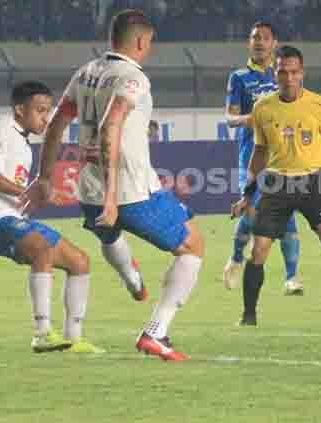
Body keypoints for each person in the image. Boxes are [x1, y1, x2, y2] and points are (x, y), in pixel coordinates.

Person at [29, 9, 204, 361]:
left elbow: (56, 125)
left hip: (90, 190)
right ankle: (157, 333)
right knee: (192, 246)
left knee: (110, 234)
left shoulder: (88, 72)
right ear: (140, 40)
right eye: (150, 43)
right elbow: (112, 126)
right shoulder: (132, 77)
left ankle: (131, 278)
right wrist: (113, 196)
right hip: (129, 192)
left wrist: (44, 177)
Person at [231, 45, 321, 327]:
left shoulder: (320, 105)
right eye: (283, 71)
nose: (289, 77)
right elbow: (259, 152)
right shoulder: (263, 108)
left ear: (302, 73)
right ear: (276, 72)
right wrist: (247, 193)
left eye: (294, 72)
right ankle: (248, 316)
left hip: (313, 181)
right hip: (277, 183)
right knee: (259, 250)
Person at [0, 81, 103, 354]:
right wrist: (30, 190)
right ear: (19, 109)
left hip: (9, 216)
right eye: (40, 110)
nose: (46, 117)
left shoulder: (23, 143)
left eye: (49, 111)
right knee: (41, 248)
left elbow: (17, 190)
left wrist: (39, 196)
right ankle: (41, 333)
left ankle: (73, 339)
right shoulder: (1, 132)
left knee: (80, 261)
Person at [223, 21, 303, 296]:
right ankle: (235, 257)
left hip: (284, 156)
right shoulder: (239, 77)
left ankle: (292, 278)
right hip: (253, 155)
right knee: (254, 214)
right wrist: (253, 118)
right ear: (249, 42)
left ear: (274, 43)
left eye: (265, 38)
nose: (259, 42)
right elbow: (230, 118)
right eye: (255, 37)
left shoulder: (284, 75)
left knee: (288, 216)